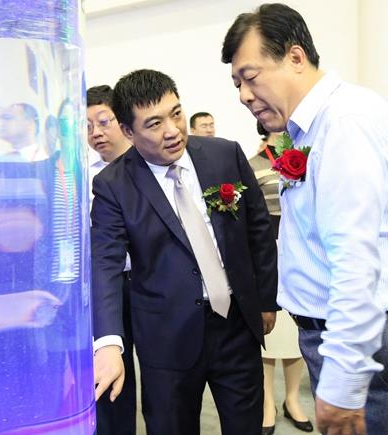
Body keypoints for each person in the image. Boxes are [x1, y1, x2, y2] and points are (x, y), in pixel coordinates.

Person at [222, 4, 388, 434]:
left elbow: (355, 256)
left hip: (376, 339)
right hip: (356, 334)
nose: (244, 95)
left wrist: (344, 379)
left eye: (250, 77)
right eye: (237, 84)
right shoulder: (313, 126)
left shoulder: (346, 123)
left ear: (295, 56)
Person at [91, 69, 278, 435]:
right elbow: (105, 264)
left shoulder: (225, 154)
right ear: (128, 131)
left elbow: (258, 229)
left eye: (176, 114)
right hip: (166, 336)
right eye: (154, 123)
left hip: (236, 323)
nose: (173, 130)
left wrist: (265, 300)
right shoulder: (113, 185)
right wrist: (109, 342)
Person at [250, 121, 313, 434]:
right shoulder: (253, 164)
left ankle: (292, 398)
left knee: (296, 329)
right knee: (270, 332)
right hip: (268, 253)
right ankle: (267, 402)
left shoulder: (307, 155)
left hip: (302, 251)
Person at [86, 84, 136, 435]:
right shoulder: (80, 173)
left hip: (148, 284)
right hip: (105, 287)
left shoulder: (148, 165)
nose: (96, 133)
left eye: (104, 122)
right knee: (110, 373)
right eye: (87, 126)